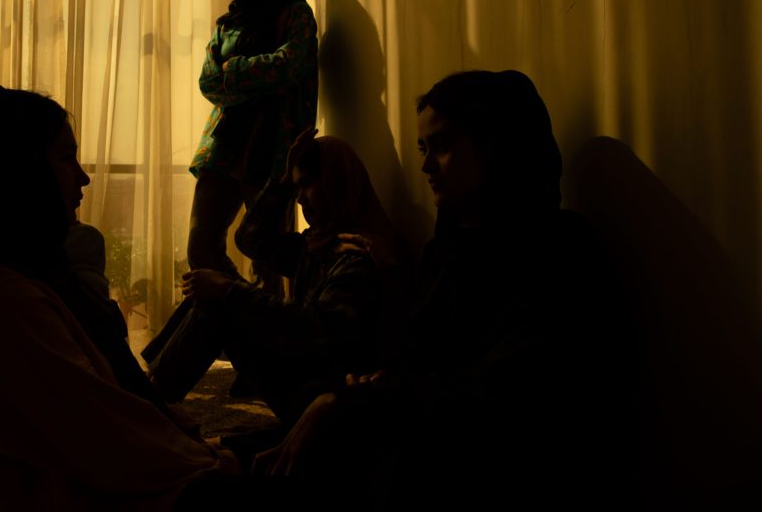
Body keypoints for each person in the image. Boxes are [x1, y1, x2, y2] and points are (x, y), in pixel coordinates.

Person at [254, 71, 638, 510]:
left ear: (496, 145)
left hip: (483, 469)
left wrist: (359, 399)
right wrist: (367, 387)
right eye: (422, 149)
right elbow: (416, 358)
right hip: (414, 428)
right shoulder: (447, 248)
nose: (425, 165)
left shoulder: (561, 254)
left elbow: (498, 401)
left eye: (441, 146)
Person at [0, 87, 237, 511]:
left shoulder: (20, 281)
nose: (84, 177)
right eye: (65, 158)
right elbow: (108, 437)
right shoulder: (4, 305)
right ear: (18, 169)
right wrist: (207, 457)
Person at [143, 131, 397, 425]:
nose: (300, 199)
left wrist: (229, 289)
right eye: (297, 188)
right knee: (211, 295)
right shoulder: (321, 244)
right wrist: (284, 181)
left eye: (307, 185)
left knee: (219, 303)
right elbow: (250, 238)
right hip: (303, 373)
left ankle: (151, 400)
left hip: (322, 397)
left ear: (336, 183)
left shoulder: (361, 255)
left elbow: (312, 331)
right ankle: (150, 387)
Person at [187, 0, 318, 295]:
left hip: (273, 147)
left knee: (266, 259)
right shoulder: (227, 26)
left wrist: (234, 71)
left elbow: (290, 65)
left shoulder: (295, 12)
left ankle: (263, 339)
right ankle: (244, 315)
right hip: (225, 147)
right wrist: (251, 76)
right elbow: (208, 82)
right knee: (201, 248)